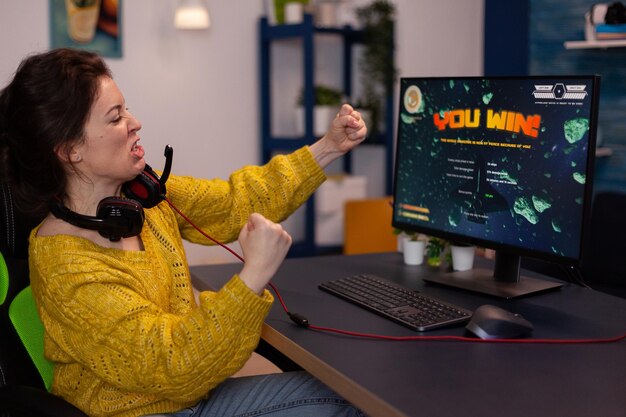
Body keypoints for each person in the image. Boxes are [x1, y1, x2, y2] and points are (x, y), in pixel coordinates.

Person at [0, 48, 368, 417]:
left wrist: (327, 149)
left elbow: (231, 203)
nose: (135, 122)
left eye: (126, 108)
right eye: (115, 118)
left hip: (192, 398)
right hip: (145, 409)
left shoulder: (141, 195)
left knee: (351, 397)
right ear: (70, 151)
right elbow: (174, 365)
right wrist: (253, 275)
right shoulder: (65, 263)